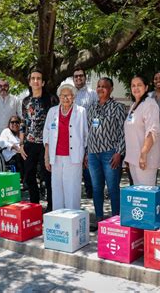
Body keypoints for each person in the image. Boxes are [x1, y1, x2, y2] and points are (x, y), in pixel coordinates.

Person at [87, 77, 126, 229]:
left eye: (104, 86)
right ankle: (99, 219)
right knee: (96, 188)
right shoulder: (91, 108)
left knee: (112, 188)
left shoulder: (118, 107)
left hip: (110, 154)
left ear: (111, 89)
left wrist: (119, 153)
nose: (101, 89)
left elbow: (124, 132)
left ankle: (116, 221)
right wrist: (86, 152)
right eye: (98, 86)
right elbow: (88, 131)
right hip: (93, 154)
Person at [43, 81, 88, 210]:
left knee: (72, 188)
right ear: (59, 97)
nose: (65, 98)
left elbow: (86, 135)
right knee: (56, 188)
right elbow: (46, 134)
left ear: (73, 97)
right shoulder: (52, 112)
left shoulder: (81, 111)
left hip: (73, 157)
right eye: (63, 96)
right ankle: (59, 217)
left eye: (68, 95)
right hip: (56, 156)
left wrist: (84, 154)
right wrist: (47, 157)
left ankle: (72, 217)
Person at [19, 68, 55, 211]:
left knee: (48, 177)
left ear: (43, 82)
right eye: (33, 78)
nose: (36, 81)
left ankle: (51, 207)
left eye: (38, 78)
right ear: (29, 82)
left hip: (46, 144)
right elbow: (23, 122)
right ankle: (34, 206)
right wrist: (21, 143)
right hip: (29, 143)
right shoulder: (26, 101)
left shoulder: (51, 100)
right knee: (28, 176)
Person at [124, 75, 160, 185]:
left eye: (139, 85)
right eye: (133, 85)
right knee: (138, 197)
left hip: (145, 159)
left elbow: (152, 131)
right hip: (133, 159)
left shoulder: (149, 104)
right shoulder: (134, 105)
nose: (136, 88)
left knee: (146, 196)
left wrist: (143, 154)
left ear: (146, 88)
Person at [72, 67, 97, 199]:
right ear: (73, 79)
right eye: (76, 76)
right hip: (73, 136)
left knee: (88, 166)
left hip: (89, 135)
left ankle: (91, 192)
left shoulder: (92, 94)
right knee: (75, 165)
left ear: (85, 77)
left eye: (81, 76)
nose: (78, 78)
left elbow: (97, 113)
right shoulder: (70, 93)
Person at [0, 78, 22, 152]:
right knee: (0, 155)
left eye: (5, 85)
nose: (3, 88)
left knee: (15, 155)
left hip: (12, 134)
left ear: (8, 87)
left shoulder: (16, 99)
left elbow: (20, 116)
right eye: (0, 86)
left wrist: (21, 131)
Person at [0, 115, 24, 181]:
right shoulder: (6, 131)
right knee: (19, 157)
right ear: (9, 124)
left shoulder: (21, 133)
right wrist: (12, 146)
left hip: (21, 153)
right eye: (12, 122)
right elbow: (2, 142)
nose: (14, 124)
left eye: (17, 122)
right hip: (10, 155)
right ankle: (24, 179)